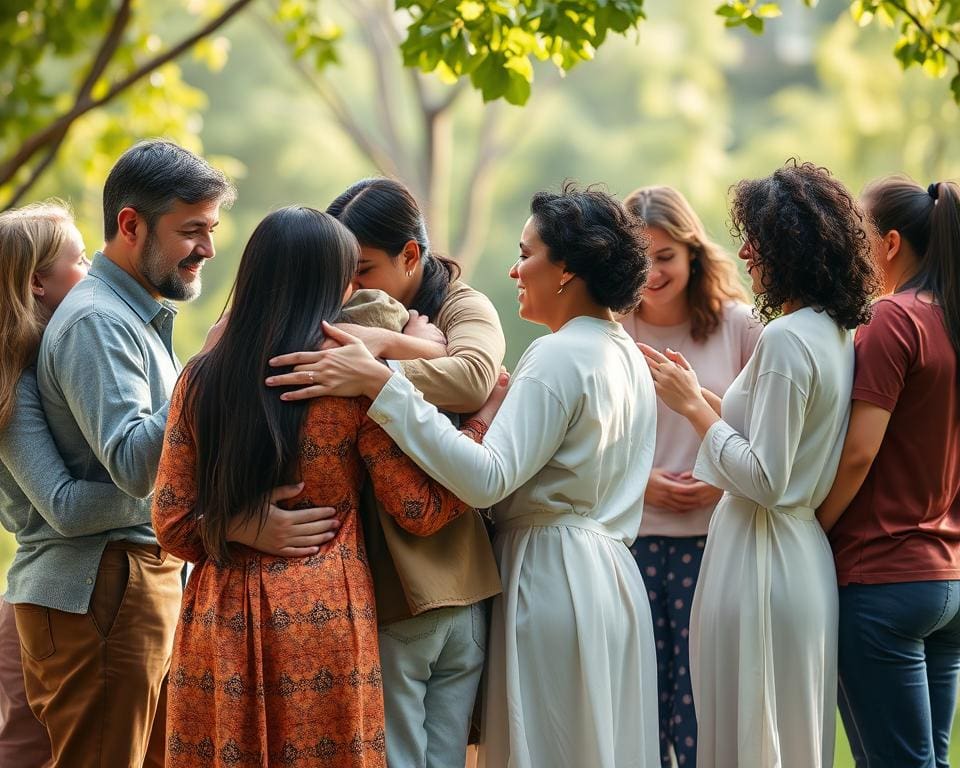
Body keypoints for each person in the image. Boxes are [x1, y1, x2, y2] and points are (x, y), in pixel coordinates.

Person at [270, 183, 661, 768]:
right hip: (614, 576)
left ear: (566, 271)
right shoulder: (624, 352)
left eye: (527, 253)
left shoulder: (556, 355)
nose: (514, 268)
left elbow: (486, 478)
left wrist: (381, 384)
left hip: (551, 577)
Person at [151, 206, 475, 766]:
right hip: (324, 624)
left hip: (219, 621)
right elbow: (418, 507)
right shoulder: (345, 384)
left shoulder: (201, 378)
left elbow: (172, 526)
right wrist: (481, 425)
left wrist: (233, 524)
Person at [639, 161, 880, 768]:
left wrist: (693, 409)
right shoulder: (829, 329)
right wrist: (700, 396)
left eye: (757, 238)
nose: (744, 251)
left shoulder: (783, 339)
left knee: (754, 739)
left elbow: (768, 480)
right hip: (792, 556)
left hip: (762, 558)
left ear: (789, 246)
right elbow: (778, 440)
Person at [268, 177, 504, 768]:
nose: (348, 287)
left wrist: (375, 360)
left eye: (363, 269)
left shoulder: (461, 304)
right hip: (453, 579)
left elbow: (475, 376)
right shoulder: (386, 322)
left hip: (410, 586)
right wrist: (409, 348)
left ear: (411, 255)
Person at [17, 140, 237, 767]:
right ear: (131, 225)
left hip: (134, 577)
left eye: (212, 230)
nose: (207, 249)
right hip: (105, 584)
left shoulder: (130, 317)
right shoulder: (99, 322)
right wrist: (206, 368)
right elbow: (140, 465)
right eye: (191, 230)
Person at [818, 177, 960, 768]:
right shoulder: (949, 320)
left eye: (858, 237)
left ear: (891, 242)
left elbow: (858, 453)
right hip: (946, 582)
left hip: (880, 579)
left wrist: (813, 527)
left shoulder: (893, 320)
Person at [620, 185, 761, 768]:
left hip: (717, 542)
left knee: (703, 705)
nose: (653, 273)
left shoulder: (740, 328)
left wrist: (723, 474)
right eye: (642, 258)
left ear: (693, 253)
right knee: (640, 703)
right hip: (632, 542)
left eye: (666, 256)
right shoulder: (609, 333)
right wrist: (639, 479)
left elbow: (771, 429)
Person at [0, 200, 113, 768]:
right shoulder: (11, 384)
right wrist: (171, 500)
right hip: (52, 597)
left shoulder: (50, 362)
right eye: (80, 260)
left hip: (57, 595)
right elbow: (65, 506)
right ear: (37, 282)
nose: (93, 270)